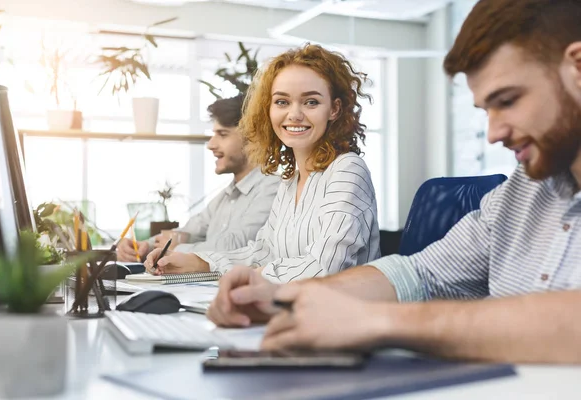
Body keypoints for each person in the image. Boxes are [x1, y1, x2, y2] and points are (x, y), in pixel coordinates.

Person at [206, 0, 581, 364]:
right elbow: (418, 274)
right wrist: (282, 300)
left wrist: (377, 322)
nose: (493, 134)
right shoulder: (523, 193)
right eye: (486, 110)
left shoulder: (345, 170)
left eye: (509, 100)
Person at [145, 44, 381, 283]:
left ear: (334, 109)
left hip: (339, 315)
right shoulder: (291, 181)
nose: (294, 114)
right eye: (282, 102)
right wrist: (199, 262)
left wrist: (251, 275)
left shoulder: (348, 170)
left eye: (311, 102)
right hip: (289, 309)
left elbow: (325, 267)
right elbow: (264, 252)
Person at [117, 95, 280, 262]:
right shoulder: (225, 197)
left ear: (254, 138)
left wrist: (173, 249)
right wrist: (145, 246)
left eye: (222, 134)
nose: (211, 144)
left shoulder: (273, 189)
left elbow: (239, 246)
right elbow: (188, 231)